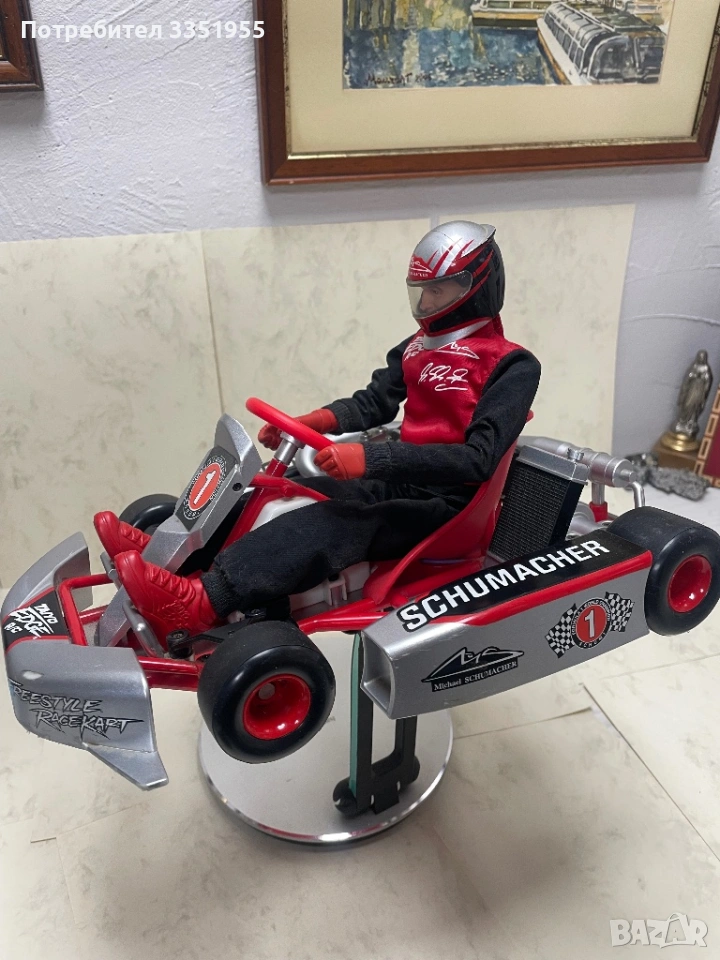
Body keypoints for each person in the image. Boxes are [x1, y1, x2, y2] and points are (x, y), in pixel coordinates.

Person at [93, 221, 541, 642]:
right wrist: (316, 421)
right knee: (289, 492)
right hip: (398, 481)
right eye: (421, 291)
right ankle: (175, 555)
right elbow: (374, 401)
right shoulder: (416, 348)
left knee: (328, 524)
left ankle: (201, 603)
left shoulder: (511, 365)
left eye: (436, 291)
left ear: (471, 288)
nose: (425, 303)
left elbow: (478, 459)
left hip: (449, 507)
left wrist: (371, 458)